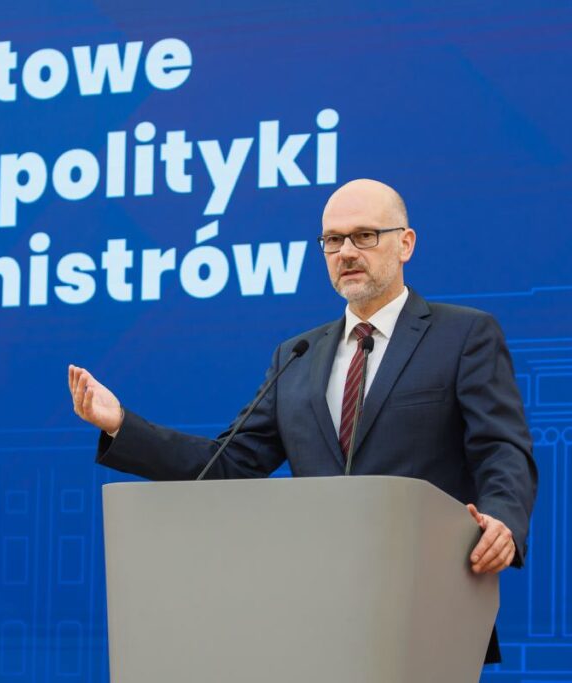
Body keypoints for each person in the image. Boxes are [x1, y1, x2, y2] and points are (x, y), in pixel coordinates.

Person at [67, 178, 537, 664]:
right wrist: (121, 424)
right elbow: (225, 465)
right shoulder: (297, 356)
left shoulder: (463, 335)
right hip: (313, 610)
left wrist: (502, 520)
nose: (346, 252)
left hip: (423, 604)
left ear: (405, 243)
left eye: (364, 236)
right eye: (333, 240)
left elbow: (501, 447)